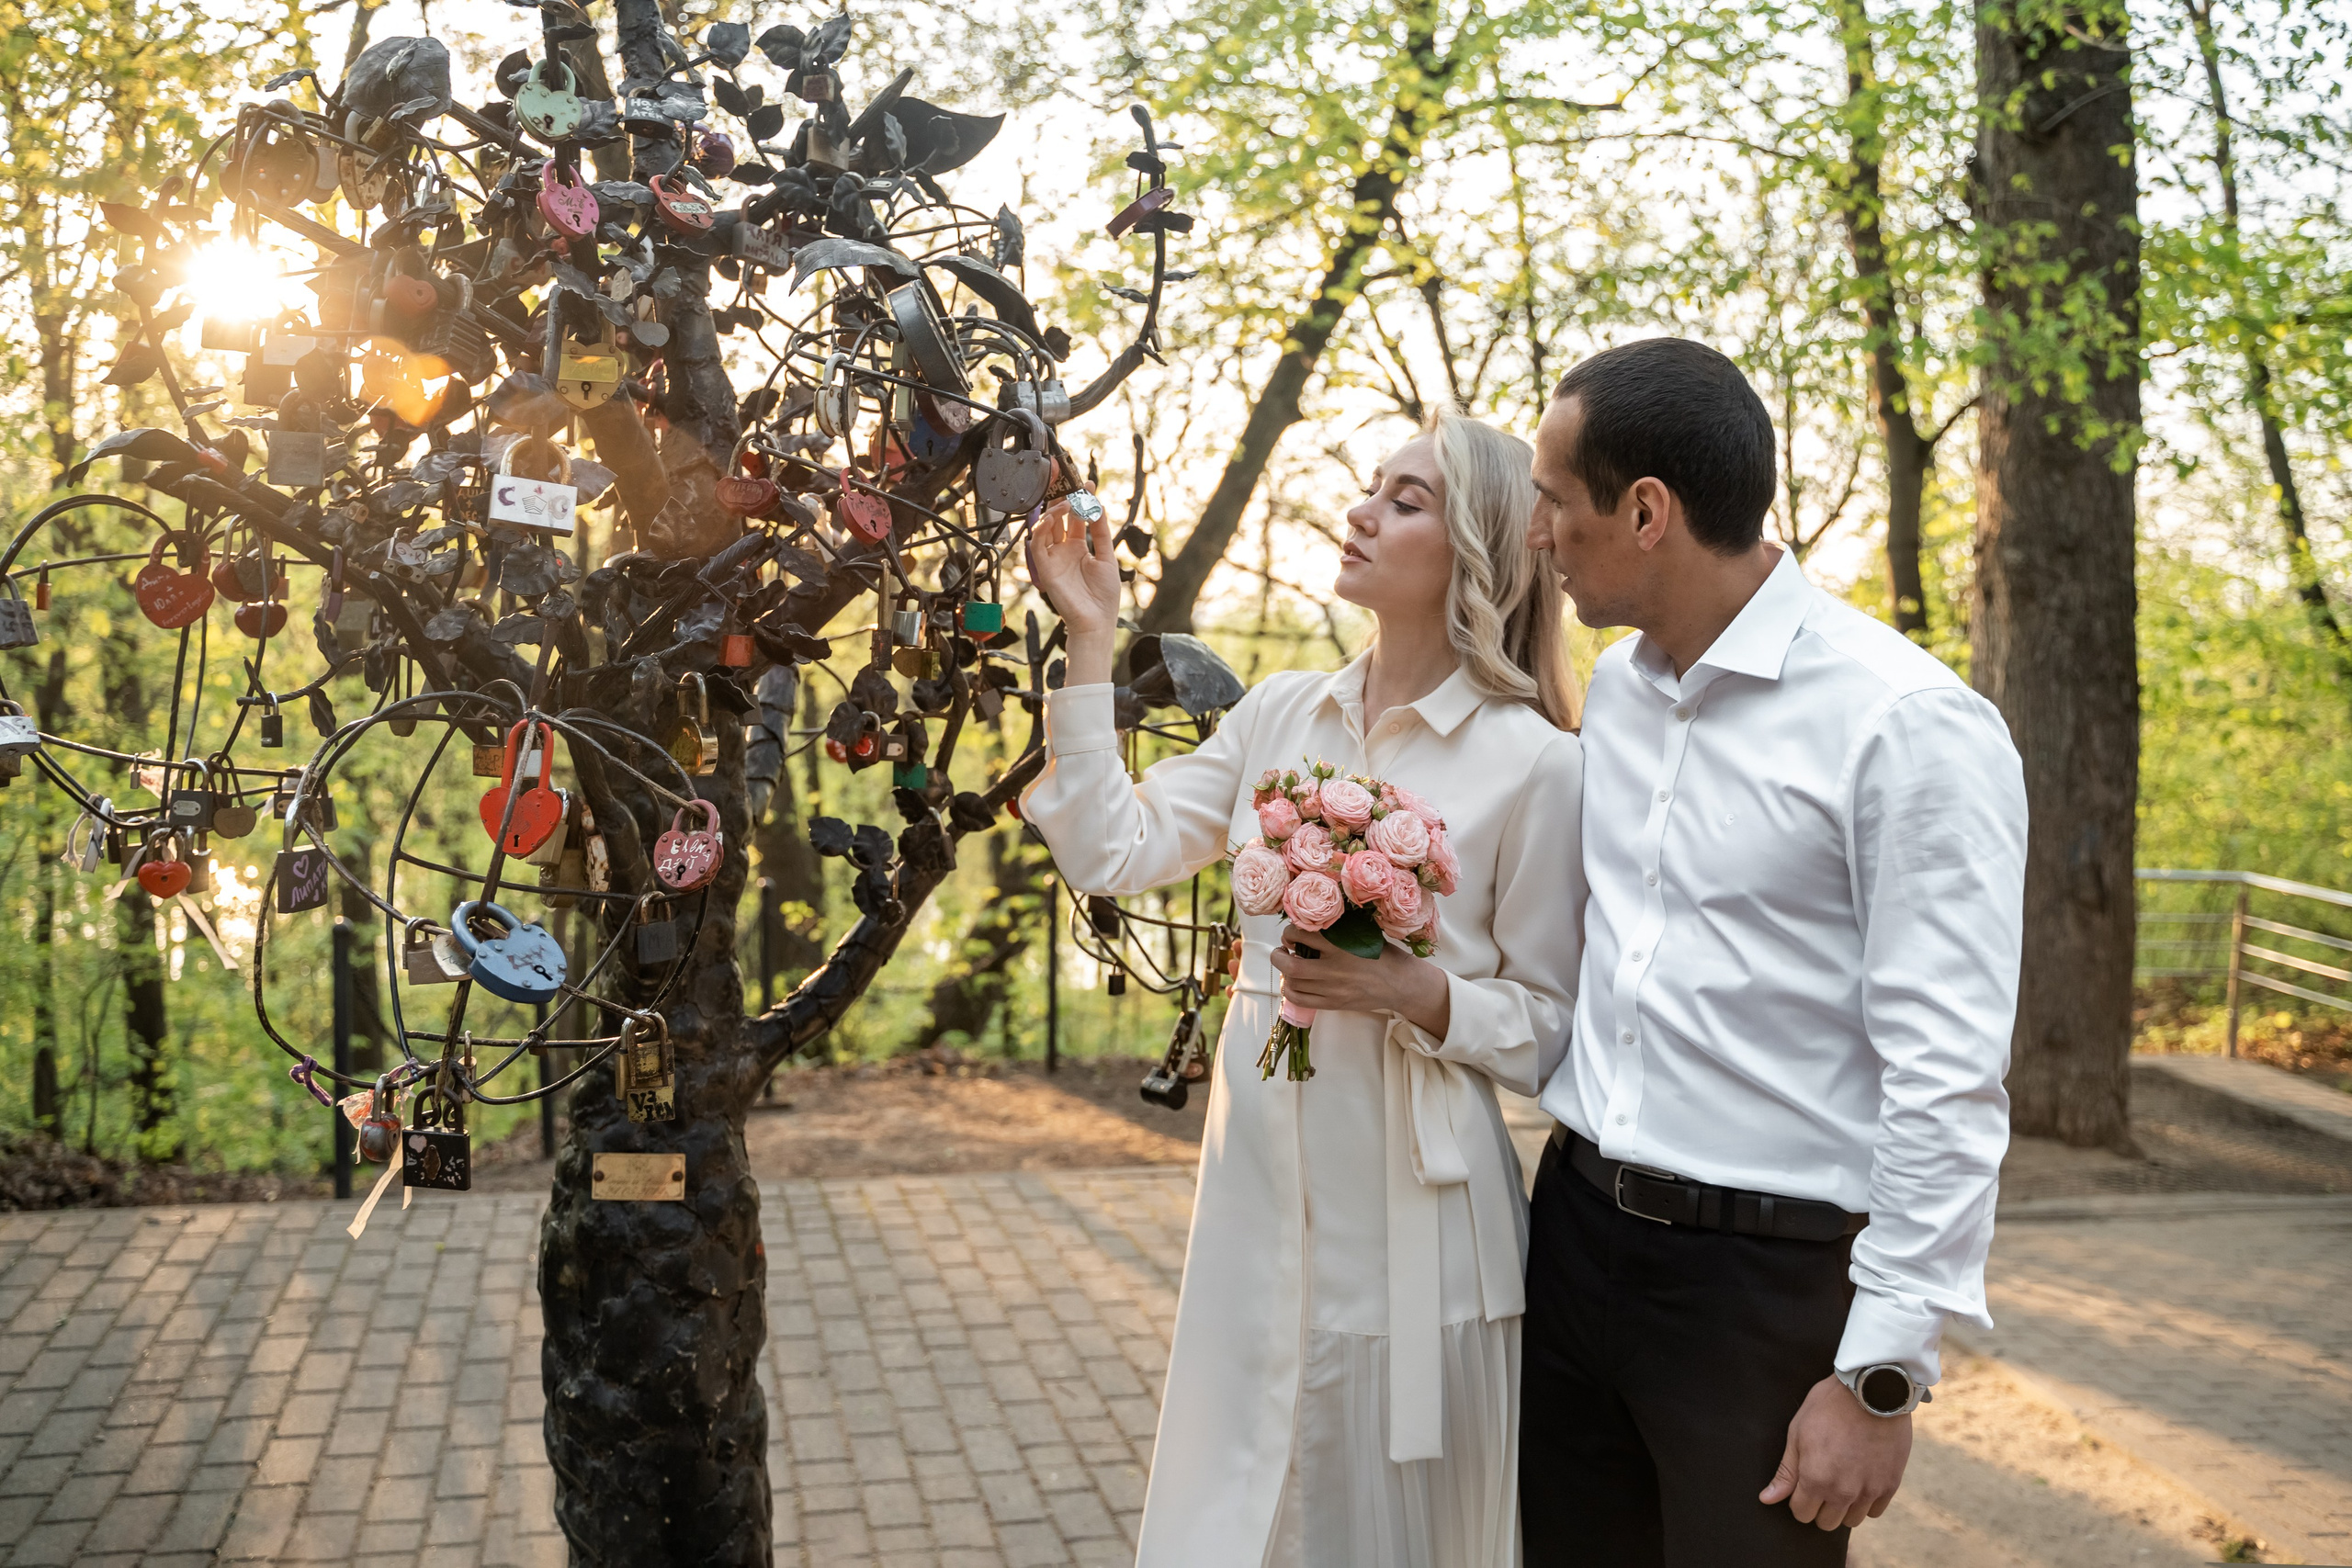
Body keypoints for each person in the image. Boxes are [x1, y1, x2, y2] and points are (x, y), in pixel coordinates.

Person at [1021, 406, 1583, 1568]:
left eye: (1405, 499)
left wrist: (1420, 998)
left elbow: (1551, 1030)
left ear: (1475, 547)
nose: (1361, 511)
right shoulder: (1280, 710)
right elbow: (1110, 850)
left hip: (1418, 1221)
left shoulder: (1537, 763)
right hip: (1258, 1189)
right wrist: (1089, 639)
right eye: (1372, 487)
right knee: (1246, 1512)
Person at [1516, 336, 2028, 1566]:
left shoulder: (1906, 728)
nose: (1537, 531)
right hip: (1576, 1232)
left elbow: (1947, 1070)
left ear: (1647, 512)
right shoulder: (1624, 693)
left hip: (1762, 1291)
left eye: (1551, 498)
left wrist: (1880, 1373)